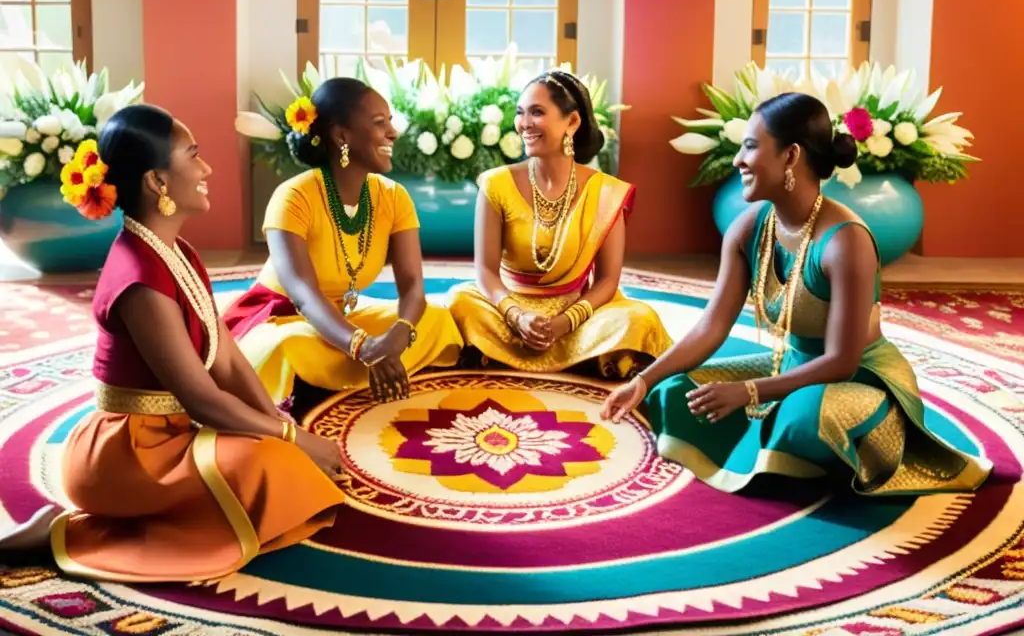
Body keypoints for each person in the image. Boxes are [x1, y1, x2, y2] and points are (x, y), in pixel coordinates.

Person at [0, 105, 346, 581]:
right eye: (193, 156)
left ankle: (186, 504)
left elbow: (226, 359)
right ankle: (69, 533)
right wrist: (292, 439)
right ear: (157, 183)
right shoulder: (139, 278)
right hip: (126, 455)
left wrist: (275, 419)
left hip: (170, 437)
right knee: (273, 468)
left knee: (284, 461)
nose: (206, 169)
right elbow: (201, 397)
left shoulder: (176, 251)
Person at [601, 92, 991, 496]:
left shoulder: (846, 242)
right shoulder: (748, 229)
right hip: (789, 366)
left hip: (860, 380)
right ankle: (781, 451)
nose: (737, 160)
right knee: (675, 392)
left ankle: (818, 443)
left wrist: (749, 391)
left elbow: (841, 361)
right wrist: (643, 383)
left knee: (802, 415)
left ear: (790, 157)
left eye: (750, 146)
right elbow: (711, 327)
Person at [223, 77, 463, 406]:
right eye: (380, 123)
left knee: (435, 317)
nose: (393, 133)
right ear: (342, 136)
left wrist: (396, 335)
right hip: (285, 318)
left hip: (345, 320)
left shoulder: (393, 197)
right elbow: (304, 296)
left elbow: (412, 287)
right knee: (287, 346)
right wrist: (363, 347)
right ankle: (335, 377)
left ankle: (346, 375)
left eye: (390, 121)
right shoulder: (293, 196)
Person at [448, 69, 672, 378]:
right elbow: (485, 272)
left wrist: (562, 323)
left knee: (638, 318)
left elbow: (607, 281)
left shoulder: (607, 191)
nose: (524, 124)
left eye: (537, 112)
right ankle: (584, 360)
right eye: (520, 113)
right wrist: (517, 316)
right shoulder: (496, 184)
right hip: (507, 310)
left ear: (573, 122)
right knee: (459, 301)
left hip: (576, 318)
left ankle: (498, 355)